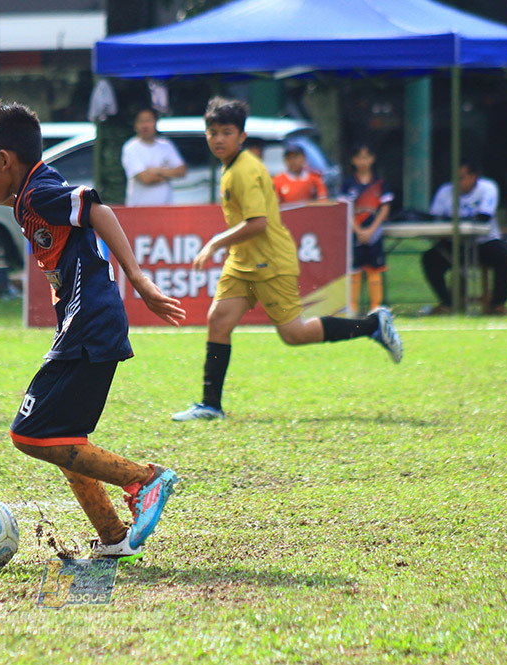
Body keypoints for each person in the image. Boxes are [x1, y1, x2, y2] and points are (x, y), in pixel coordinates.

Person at [0, 101, 185, 561]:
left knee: (29, 434)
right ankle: (112, 536)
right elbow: (0, 195)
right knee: (62, 436)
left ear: (4, 161)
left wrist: (140, 280)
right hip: (86, 320)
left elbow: (98, 211)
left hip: (88, 319)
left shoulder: (38, 193)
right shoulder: (29, 187)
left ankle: (146, 479)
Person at [170, 98, 402, 422]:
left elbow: (258, 223)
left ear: (242, 136)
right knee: (219, 320)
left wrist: (214, 242)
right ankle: (210, 405)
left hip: (268, 260)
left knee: (294, 334)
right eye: (212, 132)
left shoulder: (244, 171)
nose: (218, 138)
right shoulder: (232, 167)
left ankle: (373, 324)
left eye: (226, 132)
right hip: (244, 259)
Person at [424, 160, 507, 315]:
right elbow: (435, 218)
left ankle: (497, 304)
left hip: (484, 242)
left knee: (503, 256)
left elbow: (484, 217)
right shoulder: (445, 191)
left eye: (461, 178)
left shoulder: (488, 188)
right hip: (455, 243)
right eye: (455, 178)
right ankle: (447, 302)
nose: (457, 182)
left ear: (473, 177)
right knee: (430, 258)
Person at [341, 144, 392, 316]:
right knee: (354, 270)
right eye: (359, 158)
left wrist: (371, 229)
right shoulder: (348, 183)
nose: (363, 161)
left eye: (366, 157)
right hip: (354, 233)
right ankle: (352, 307)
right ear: (353, 160)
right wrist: (357, 230)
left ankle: (376, 308)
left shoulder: (380, 183)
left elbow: (385, 207)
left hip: (374, 232)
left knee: (374, 269)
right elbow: (345, 208)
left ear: (372, 159)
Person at [120, 107, 186, 206]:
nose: (145, 125)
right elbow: (146, 179)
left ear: (155, 123)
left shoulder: (166, 145)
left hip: (166, 208)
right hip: (139, 209)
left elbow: (181, 171)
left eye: (149, 120)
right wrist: (169, 174)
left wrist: (157, 170)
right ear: (135, 125)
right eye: (141, 121)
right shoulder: (131, 148)